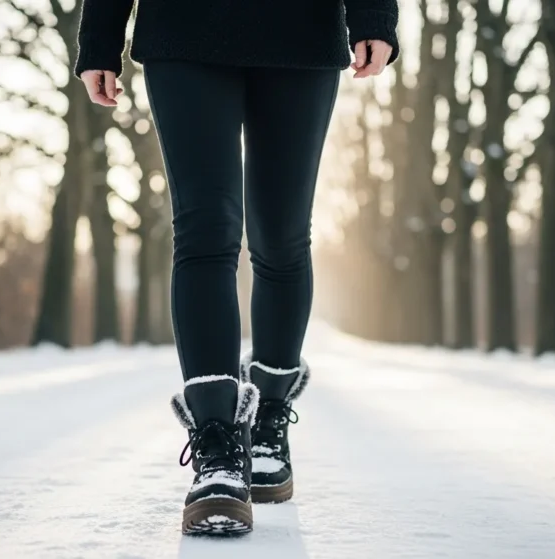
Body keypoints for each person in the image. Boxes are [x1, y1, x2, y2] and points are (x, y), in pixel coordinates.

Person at [75, 0, 399, 536]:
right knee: (205, 231)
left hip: (301, 30)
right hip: (185, 31)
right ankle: (218, 447)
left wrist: (374, 18)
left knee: (282, 235)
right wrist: (99, 38)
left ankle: (269, 420)